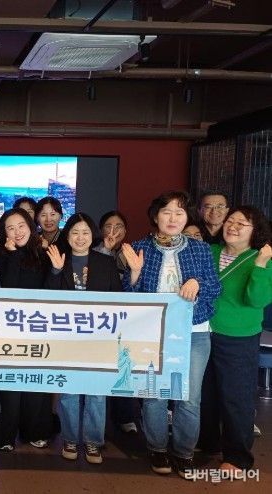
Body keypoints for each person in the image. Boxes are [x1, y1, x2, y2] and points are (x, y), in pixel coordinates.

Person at [122, 190, 221, 478]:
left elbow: (216, 288)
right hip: (153, 333)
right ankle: (157, 448)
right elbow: (129, 297)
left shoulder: (200, 249)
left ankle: (184, 453)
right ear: (156, 217)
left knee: (189, 397)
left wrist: (197, 283)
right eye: (167, 212)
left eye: (179, 212)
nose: (173, 218)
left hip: (194, 331)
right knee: (155, 394)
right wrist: (134, 273)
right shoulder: (140, 247)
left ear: (187, 217)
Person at [199, 206, 272, 475]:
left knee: (235, 398)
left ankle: (238, 457)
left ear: (256, 231)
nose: (233, 226)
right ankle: (208, 444)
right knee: (205, 393)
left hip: (238, 338)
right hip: (203, 333)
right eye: (231, 221)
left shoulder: (261, 259)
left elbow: (256, 300)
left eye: (242, 224)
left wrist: (261, 265)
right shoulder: (210, 251)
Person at [46, 213, 122, 464]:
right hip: (67, 338)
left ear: (93, 235)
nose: (80, 238)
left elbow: (118, 298)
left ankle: (93, 441)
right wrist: (56, 271)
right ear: (67, 235)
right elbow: (46, 298)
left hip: (99, 337)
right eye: (75, 233)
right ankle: (69, 438)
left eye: (85, 232)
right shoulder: (59, 259)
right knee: (69, 392)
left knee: (96, 393)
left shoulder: (106, 262)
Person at [0, 208, 55, 452]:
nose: (17, 232)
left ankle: (35, 431)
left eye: (21, 226)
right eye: (10, 228)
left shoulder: (44, 253)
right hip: (7, 329)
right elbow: (8, 287)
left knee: (35, 384)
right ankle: (6, 436)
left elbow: (51, 289)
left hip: (38, 328)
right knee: (9, 386)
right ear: (3, 232)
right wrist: (13, 255)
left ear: (31, 226)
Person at [95, 210, 138, 433]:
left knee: (124, 366)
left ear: (126, 230)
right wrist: (106, 249)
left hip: (127, 319)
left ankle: (125, 417)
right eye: (108, 226)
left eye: (118, 226)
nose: (113, 231)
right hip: (100, 320)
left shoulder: (133, 251)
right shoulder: (93, 251)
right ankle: (96, 422)